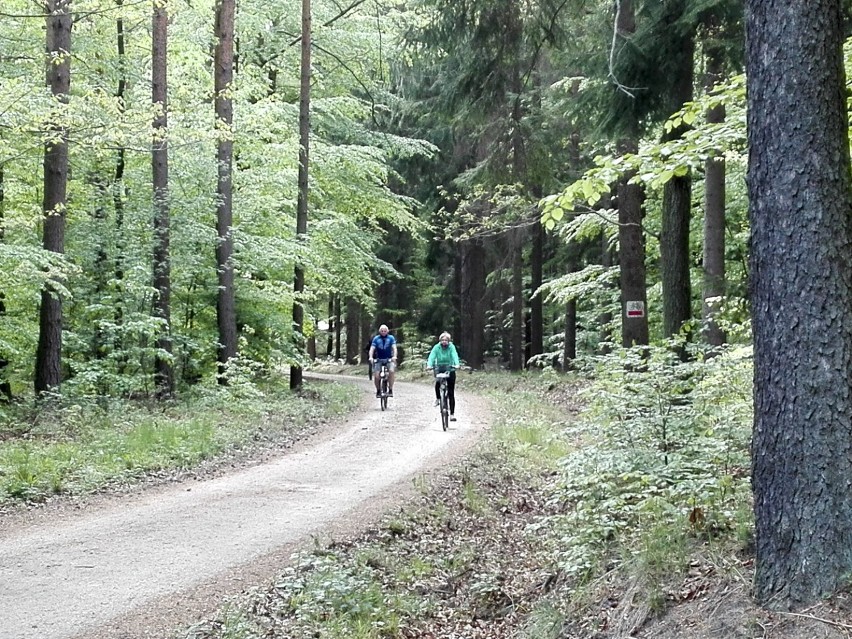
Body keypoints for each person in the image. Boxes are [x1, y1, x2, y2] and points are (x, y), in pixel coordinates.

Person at [426, 331, 460, 421]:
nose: (444, 342)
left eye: (446, 340)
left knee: (451, 392)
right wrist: (429, 365)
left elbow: (454, 355)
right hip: (439, 367)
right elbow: (432, 356)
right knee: (438, 382)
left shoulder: (451, 347)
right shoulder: (436, 347)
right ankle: (438, 398)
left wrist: (456, 364)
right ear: (440, 340)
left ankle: (452, 414)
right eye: (442, 340)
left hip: (450, 368)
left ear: (449, 341)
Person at [368, 324, 397, 397]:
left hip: (389, 359)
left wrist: (394, 356)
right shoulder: (376, 338)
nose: (383, 332)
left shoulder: (391, 338)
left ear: (387, 331)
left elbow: (394, 348)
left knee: (391, 371)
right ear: (379, 331)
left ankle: (390, 389)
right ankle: (378, 390)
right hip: (379, 359)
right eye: (382, 331)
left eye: (385, 331)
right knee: (376, 375)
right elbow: (372, 348)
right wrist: (371, 357)